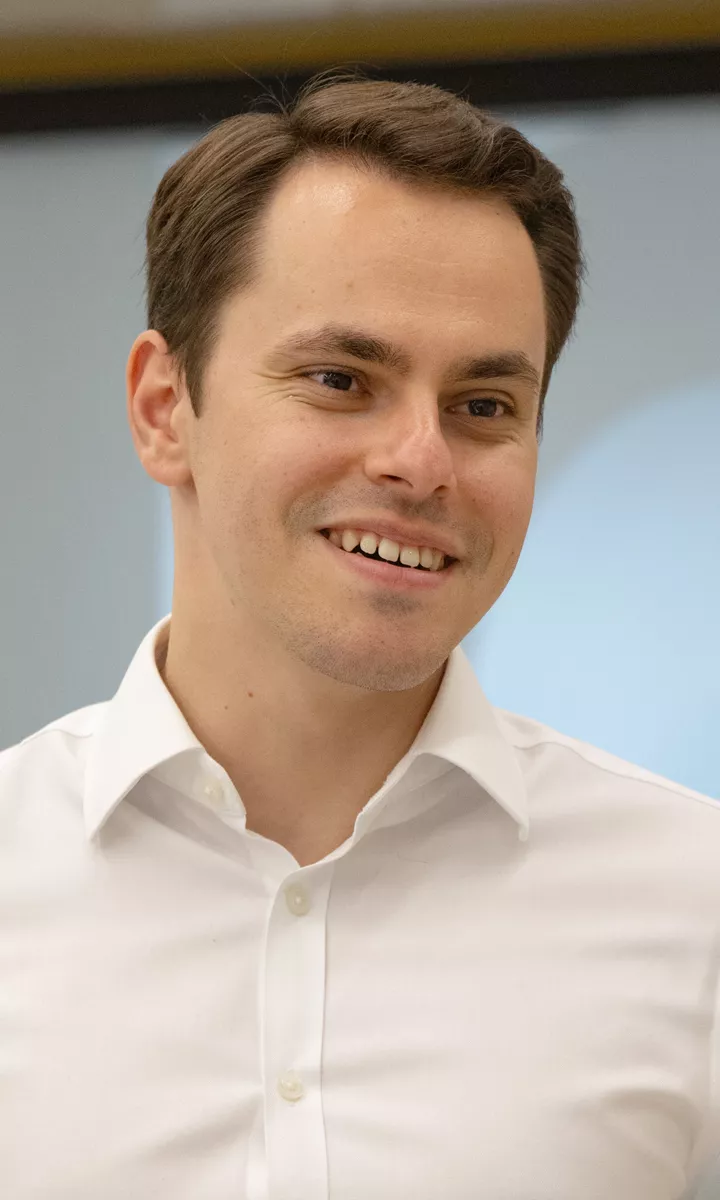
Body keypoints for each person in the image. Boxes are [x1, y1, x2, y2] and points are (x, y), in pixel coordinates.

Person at [1, 74, 718, 1200]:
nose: (420, 462)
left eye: (484, 405)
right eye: (341, 380)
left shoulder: (695, 906)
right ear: (162, 409)